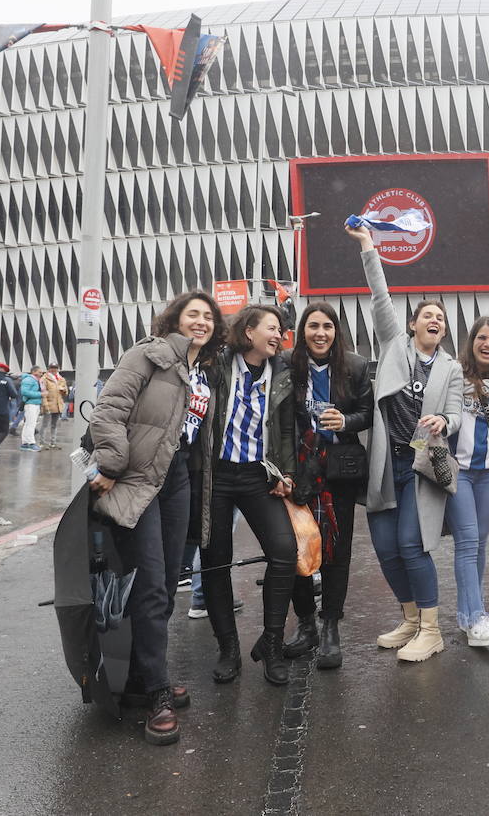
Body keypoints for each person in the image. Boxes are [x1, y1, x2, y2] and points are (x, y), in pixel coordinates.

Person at [87, 291, 224, 744]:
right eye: (193, 315)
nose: (201, 322)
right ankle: (157, 693)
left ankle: (145, 674)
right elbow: (109, 409)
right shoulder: (149, 354)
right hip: (139, 479)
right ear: (175, 320)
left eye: (208, 316)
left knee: (165, 584)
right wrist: (110, 463)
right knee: (148, 583)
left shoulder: (202, 371)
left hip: (178, 479)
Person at [347, 224, 462, 664]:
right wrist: (368, 247)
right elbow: (379, 294)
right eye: (428, 316)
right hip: (385, 466)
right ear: (413, 324)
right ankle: (410, 619)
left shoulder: (450, 369)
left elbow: (455, 415)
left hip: (422, 467)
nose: (435, 321)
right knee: (386, 548)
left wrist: (442, 420)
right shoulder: (395, 346)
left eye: (442, 319)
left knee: (414, 546)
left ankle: (431, 631)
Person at [197, 305, 299, 685]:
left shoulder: (282, 373)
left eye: (282, 331)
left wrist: (286, 473)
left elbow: (285, 431)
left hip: (259, 476)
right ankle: (228, 648)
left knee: (284, 551)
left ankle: (271, 643)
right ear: (249, 331)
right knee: (215, 561)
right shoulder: (218, 366)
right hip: (217, 475)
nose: (279, 335)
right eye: (272, 329)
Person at [284, 301, 375, 669]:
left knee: (336, 550)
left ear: (336, 332)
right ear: (303, 330)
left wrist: (347, 421)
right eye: (313, 326)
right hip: (298, 470)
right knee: (295, 548)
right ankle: (306, 623)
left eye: (327, 326)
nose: (320, 333)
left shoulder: (353, 366)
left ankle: (330, 627)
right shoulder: (287, 366)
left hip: (339, 470)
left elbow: (368, 414)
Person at [445, 316, 489, 647]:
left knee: (479, 544)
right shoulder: (454, 375)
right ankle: (477, 619)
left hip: (488, 474)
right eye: (482, 338)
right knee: (469, 542)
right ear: (472, 342)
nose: (488, 344)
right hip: (459, 472)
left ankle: (465, 613)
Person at [39, 363, 68, 448]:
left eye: (55, 368)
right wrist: (45, 406)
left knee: (54, 425)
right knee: (45, 425)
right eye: (52, 368)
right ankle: (42, 443)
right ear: (49, 369)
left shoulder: (61, 379)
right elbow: (43, 393)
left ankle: (53, 442)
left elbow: (65, 392)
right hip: (49, 404)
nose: (54, 370)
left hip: (58, 405)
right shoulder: (44, 379)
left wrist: (63, 390)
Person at [17, 367, 43, 451]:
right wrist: (40, 394)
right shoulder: (29, 380)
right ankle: (31, 443)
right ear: (34, 372)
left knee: (29, 424)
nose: (41, 374)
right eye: (39, 372)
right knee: (31, 424)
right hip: (31, 404)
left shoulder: (33, 380)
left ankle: (25, 443)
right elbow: (24, 392)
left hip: (34, 404)